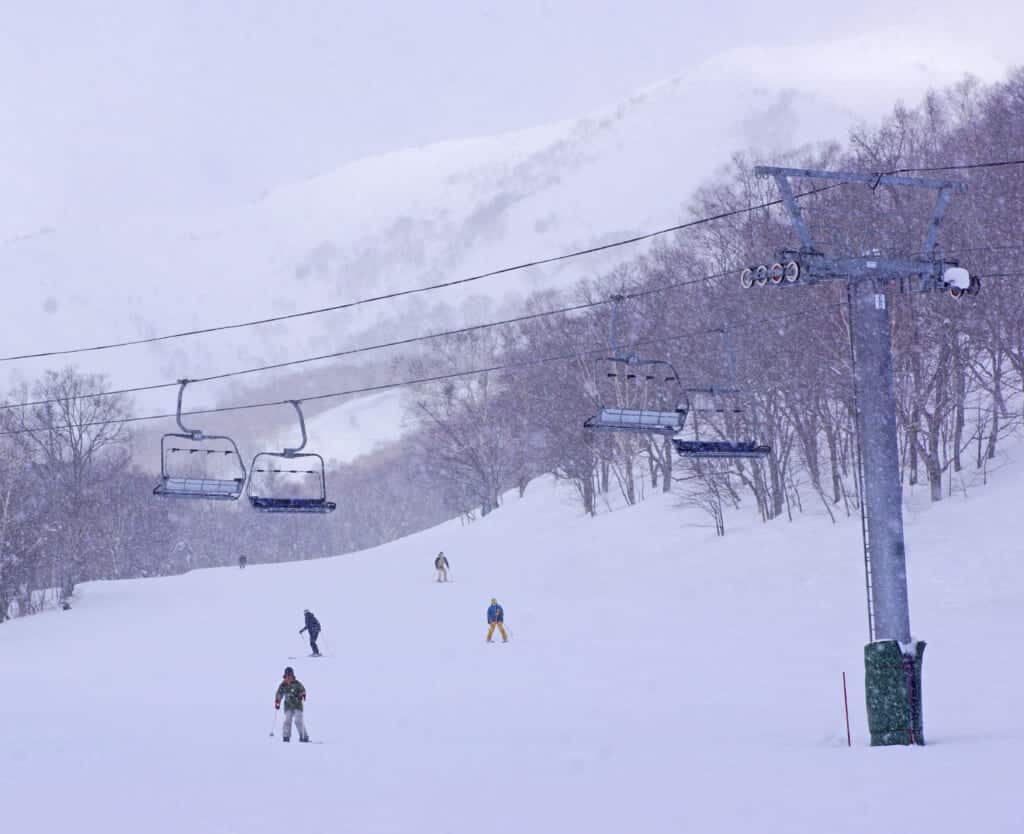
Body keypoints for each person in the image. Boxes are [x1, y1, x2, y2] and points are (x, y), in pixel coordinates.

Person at [274, 666, 310, 743]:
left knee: (298, 720)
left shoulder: (297, 684)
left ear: (292, 676)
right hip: (288, 706)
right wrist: (278, 701)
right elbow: (279, 693)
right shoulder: (283, 685)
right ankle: (286, 736)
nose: (288, 678)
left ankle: (304, 736)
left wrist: (302, 695)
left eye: (290, 676)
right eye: (287, 676)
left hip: (297, 705)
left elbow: (302, 690)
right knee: (287, 720)